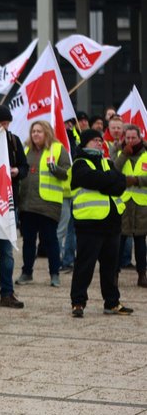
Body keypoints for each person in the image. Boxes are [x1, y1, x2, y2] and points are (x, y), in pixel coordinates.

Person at [70, 129, 134, 318]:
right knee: (85, 265)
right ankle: (78, 302)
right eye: (94, 140)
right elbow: (92, 179)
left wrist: (108, 180)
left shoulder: (106, 162)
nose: (99, 143)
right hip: (89, 224)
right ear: (84, 144)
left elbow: (121, 184)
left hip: (111, 223)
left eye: (100, 140)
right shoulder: (80, 163)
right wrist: (111, 180)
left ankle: (112, 302)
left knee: (111, 267)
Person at [16, 120, 69, 287]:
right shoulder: (25, 149)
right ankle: (27, 273)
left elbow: (67, 173)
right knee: (28, 241)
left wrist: (56, 170)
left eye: (39, 131)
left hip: (48, 204)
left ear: (46, 132)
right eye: (33, 131)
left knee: (50, 241)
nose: (35, 134)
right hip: (27, 203)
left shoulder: (58, 148)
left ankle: (54, 273)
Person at [0, 106, 27, 309]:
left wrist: (17, 170)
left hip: (7, 204)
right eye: (1, 123)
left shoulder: (13, 140)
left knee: (7, 251)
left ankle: (7, 293)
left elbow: (25, 167)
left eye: (7, 123)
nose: (4, 127)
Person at [115, 124, 147, 288]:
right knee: (119, 241)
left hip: (142, 205)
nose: (130, 141)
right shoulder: (120, 153)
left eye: (134, 138)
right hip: (124, 204)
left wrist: (137, 181)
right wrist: (123, 156)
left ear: (140, 138)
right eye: (127, 138)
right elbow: (113, 172)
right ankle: (114, 275)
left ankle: (142, 275)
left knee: (141, 242)